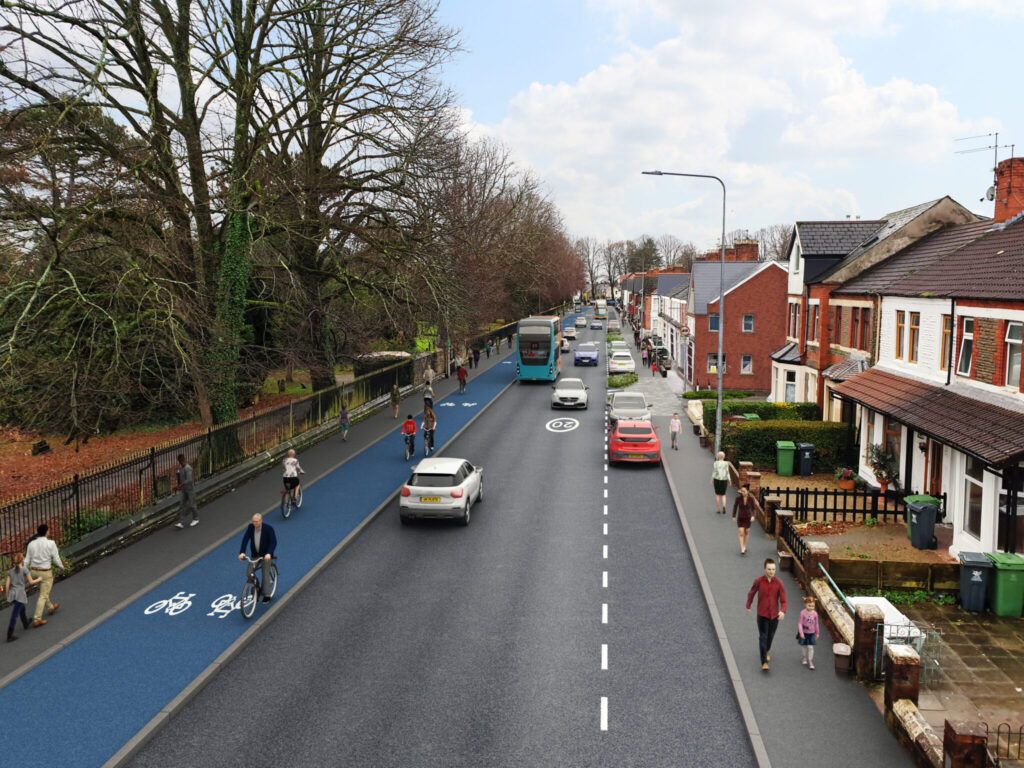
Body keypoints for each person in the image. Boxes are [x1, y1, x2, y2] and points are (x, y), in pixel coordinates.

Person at [746, 558, 787, 671]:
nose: (771, 571)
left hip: (774, 615)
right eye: (769, 569)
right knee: (763, 637)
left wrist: (782, 611)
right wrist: (748, 606)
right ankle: (764, 661)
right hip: (762, 615)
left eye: (773, 569)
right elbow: (751, 593)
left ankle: (767, 650)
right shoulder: (758, 581)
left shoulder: (779, 583)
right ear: (764, 569)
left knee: (770, 636)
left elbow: (784, 601)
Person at [25, 523, 65, 627]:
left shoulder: (31, 544)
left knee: (43, 592)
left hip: (33, 571)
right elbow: (55, 558)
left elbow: (26, 560)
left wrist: (24, 572)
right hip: (45, 572)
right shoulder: (51, 543)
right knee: (43, 595)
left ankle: (50, 608)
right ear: (47, 531)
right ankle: (37, 619)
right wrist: (61, 567)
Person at [238, 513, 277, 603]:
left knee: (265, 573)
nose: (254, 523)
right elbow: (245, 539)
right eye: (253, 521)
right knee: (249, 572)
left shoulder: (268, 529)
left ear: (261, 521)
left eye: (256, 521)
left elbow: (273, 542)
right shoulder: (251, 527)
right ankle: (257, 586)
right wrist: (242, 552)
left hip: (265, 556)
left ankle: (267, 594)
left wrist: (269, 553)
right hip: (255, 555)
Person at [5, 552, 40, 641]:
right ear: (22, 560)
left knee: (22, 608)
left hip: (12, 595)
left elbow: (7, 585)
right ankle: (9, 635)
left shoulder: (11, 571)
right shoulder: (24, 570)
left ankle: (25, 623)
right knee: (15, 614)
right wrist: (39, 579)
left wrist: (7, 596)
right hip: (19, 595)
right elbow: (31, 582)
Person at [174, 454, 198, 528]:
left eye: (181, 461)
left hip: (190, 489)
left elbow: (189, 480)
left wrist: (180, 485)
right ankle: (181, 522)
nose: (181, 463)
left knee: (192, 505)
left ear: (183, 460)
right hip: (184, 490)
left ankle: (196, 518)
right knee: (182, 505)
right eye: (180, 462)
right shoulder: (181, 469)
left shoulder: (188, 468)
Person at [732, 484, 756, 555]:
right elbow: (735, 507)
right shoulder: (738, 498)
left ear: (748, 491)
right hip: (740, 518)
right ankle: (742, 547)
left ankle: (744, 545)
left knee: (747, 532)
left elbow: (754, 508)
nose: (742, 492)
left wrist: (753, 516)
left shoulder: (751, 499)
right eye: (741, 491)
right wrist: (733, 515)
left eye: (744, 491)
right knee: (741, 533)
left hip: (748, 518)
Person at [797, 596, 820, 670]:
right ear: (805, 604)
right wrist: (801, 632)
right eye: (809, 605)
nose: (811, 607)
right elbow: (800, 623)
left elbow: (816, 624)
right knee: (804, 646)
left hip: (811, 633)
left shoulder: (815, 614)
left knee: (810, 647)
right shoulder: (802, 613)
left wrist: (817, 633)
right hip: (804, 632)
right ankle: (804, 657)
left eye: (813, 606)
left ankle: (810, 660)